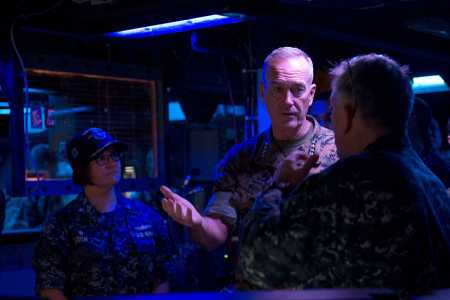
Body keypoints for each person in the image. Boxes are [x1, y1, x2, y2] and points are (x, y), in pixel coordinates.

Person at [238, 54, 450, 298]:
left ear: (349, 113)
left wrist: (280, 184)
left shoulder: (347, 182)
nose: (330, 121)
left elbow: (254, 263)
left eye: (332, 110)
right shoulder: (432, 185)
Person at [160, 47, 338, 253]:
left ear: (311, 94)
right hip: (259, 279)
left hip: (322, 281)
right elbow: (216, 235)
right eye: (277, 89)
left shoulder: (338, 150)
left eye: (297, 89)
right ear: (263, 92)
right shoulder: (241, 159)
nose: (287, 100)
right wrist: (198, 222)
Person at [33, 127, 173, 300]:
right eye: (101, 158)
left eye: (114, 156)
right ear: (82, 168)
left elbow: (163, 276)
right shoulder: (61, 225)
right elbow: (50, 287)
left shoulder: (147, 217)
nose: (112, 163)